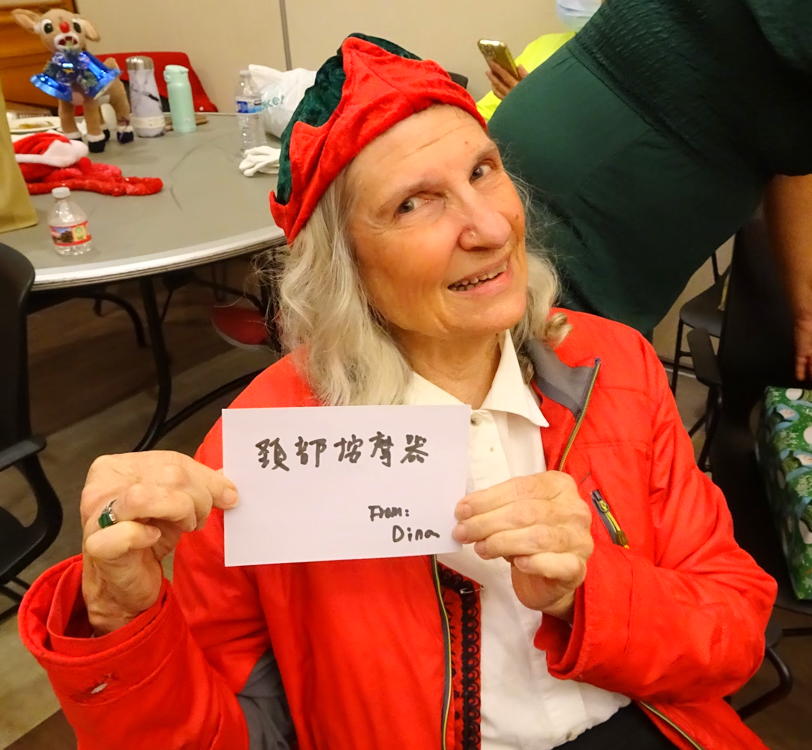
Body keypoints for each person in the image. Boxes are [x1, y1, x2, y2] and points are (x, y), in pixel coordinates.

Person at [20, 34, 775, 750]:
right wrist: (119, 620)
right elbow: (227, 733)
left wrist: (590, 593)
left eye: (483, 170)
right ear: (343, 266)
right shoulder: (264, 453)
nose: (490, 227)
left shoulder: (612, 366)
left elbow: (732, 632)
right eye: (414, 203)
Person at [485, 0, 812, 373]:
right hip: (585, 243)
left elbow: (793, 161)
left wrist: (805, 312)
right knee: (502, 375)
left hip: (544, 189)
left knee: (476, 370)